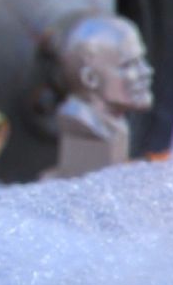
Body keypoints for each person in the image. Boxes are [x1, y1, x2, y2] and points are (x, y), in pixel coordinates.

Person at [46, 13, 154, 179]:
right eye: (128, 65)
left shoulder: (114, 125)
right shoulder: (83, 125)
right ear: (90, 79)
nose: (147, 71)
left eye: (141, 60)